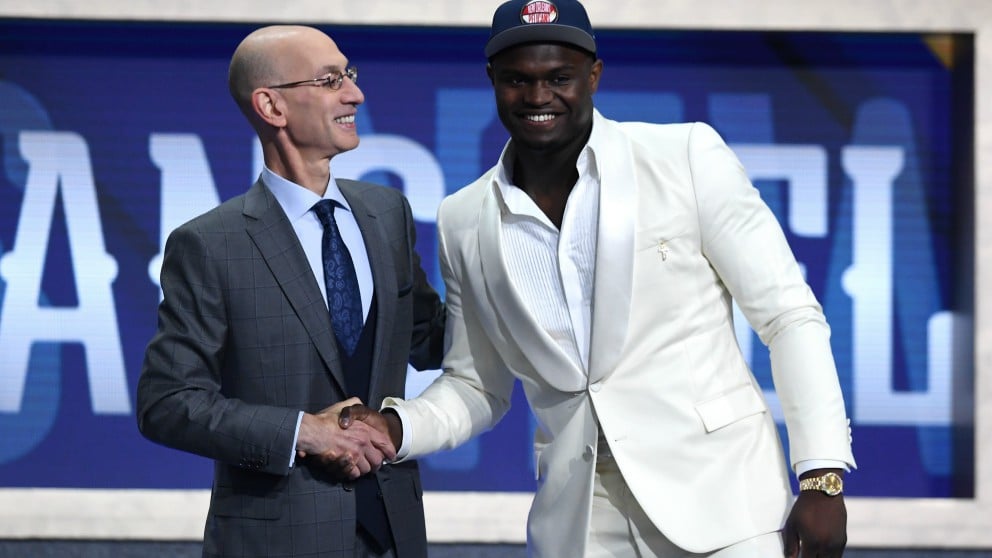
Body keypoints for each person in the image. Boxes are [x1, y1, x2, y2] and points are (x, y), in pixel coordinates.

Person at [340, 1, 856, 557]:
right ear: (492, 80)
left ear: (593, 75)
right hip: (581, 522)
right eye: (517, 80)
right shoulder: (464, 218)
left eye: (558, 78)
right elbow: (477, 385)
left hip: (726, 501)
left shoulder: (684, 156)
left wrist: (821, 474)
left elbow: (788, 316)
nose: (538, 96)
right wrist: (397, 427)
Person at [136, 25, 445, 558]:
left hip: (393, 533)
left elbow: (431, 337)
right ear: (271, 106)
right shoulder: (211, 244)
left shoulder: (387, 214)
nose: (355, 94)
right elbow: (167, 402)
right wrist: (304, 432)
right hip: (275, 539)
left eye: (349, 74)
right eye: (330, 80)